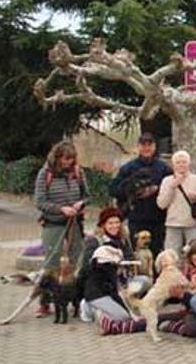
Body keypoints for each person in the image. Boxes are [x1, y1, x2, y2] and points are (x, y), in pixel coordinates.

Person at [34, 141, 88, 317]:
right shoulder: (45, 174)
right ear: (57, 157)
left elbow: (87, 195)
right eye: (66, 159)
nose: (69, 163)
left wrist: (80, 204)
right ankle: (45, 302)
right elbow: (40, 201)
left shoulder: (78, 172)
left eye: (72, 159)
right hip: (53, 223)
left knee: (77, 260)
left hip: (74, 223)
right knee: (52, 264)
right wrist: (61, 209)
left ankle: (74, 299)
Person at [80, 207, 146, 335]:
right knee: (122, 317)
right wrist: (101, 263)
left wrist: (124, 263)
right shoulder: (95, 241)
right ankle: (89, 308)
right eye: (110, 223)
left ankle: (126, 303)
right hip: (99, 287)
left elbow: (129, 258)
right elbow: (85, 268)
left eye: (117, 222)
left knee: (144, 281)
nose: (114, 226)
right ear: (103, 224)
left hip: (119, 282)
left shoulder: (123, 239)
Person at [109, 132, 172, 257]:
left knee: (157, 255)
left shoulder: (164, 168)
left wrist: (157, 189)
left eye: (150, 144)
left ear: (155, 147)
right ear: (138, 146)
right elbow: (113, 189)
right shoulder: (128, 168)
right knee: (135, 255)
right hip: (136, 219)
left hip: (158, 220)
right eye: (143, 145)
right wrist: (132, 191)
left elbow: (172, 189)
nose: (146, 148)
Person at [157, 238, 196, 338]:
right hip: (190, 310)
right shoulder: (187, 272)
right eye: (195, 254)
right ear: (190, 256)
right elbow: (180, 299)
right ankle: (169, 321)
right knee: (155, 318)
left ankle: (171, 325)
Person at [156, 150, 196, 253]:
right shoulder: (167, 181)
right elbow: (161, 204)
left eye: (184, 162)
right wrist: (172, 187)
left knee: (195, 253)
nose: (181, 165)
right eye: (178, 162)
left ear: (189, 163)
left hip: (193, 224)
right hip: (173, 224)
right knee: (171, 255)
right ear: (173, 165)